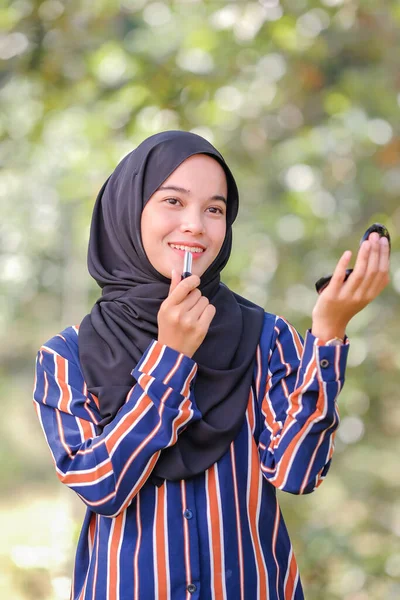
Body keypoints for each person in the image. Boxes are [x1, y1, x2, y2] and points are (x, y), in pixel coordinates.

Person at [33, 130, 390, 600]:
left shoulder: (265, 337)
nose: (196, 225)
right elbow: (101, 486)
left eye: (215, 209)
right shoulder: (66, 357)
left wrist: (328, 335)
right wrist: (171, 358)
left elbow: (298, 473)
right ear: (128, 209)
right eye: (173, 202)